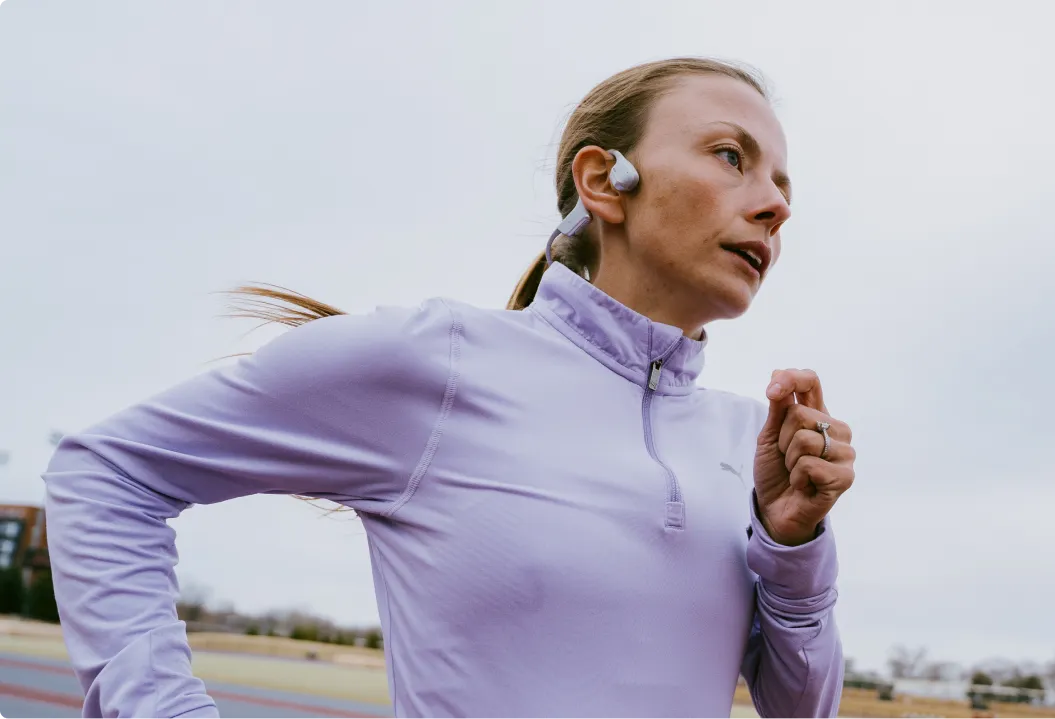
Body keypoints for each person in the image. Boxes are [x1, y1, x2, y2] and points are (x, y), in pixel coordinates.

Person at [43, 57, 857, 719]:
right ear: (605, 183)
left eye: (785, 185)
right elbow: (106, 472)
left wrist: (791, 546)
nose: (775, 206)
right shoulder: (439, 361)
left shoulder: (752, 446)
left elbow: (800, 710)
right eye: (731, 156)